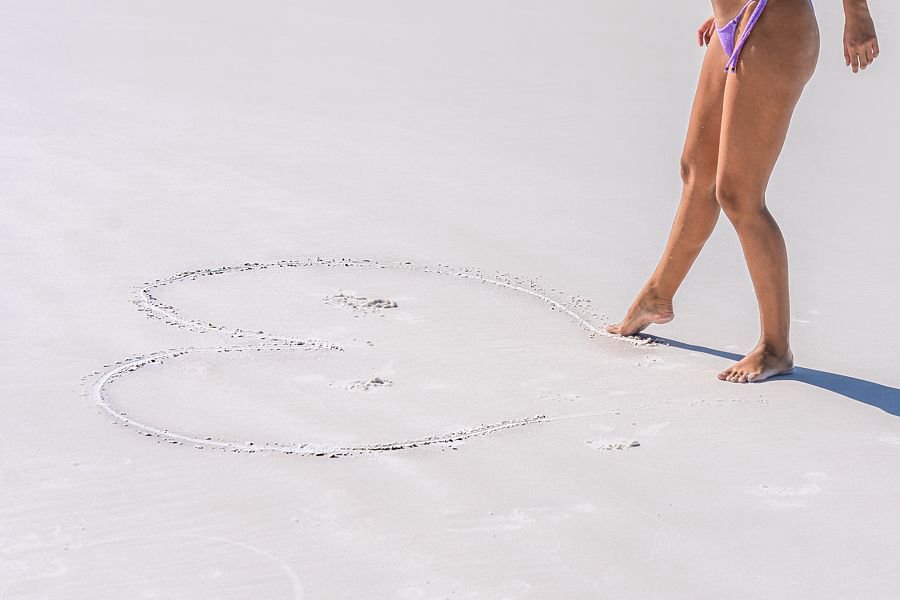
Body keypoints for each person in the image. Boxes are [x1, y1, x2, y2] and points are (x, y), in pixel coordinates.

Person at [607, 0, 879, 383]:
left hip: (774, 24)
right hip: (733, 21)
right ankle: (657, 295)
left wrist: (857, 14)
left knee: (739, 194)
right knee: (696, 171)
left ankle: (776, 347)